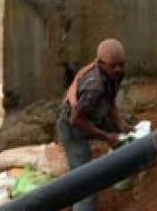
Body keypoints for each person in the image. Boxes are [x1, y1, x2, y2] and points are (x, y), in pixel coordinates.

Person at [55, 38, 130, 211]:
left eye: (121, 64)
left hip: (94, 115)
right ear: (101, 64)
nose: (118, 69)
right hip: (72, 128)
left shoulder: (114, 74)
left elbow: (110, 98)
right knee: (86, 183)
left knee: (130, 130)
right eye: (113, 66)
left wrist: (120, 122)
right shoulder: (94, 87)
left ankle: (123, 172)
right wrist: (106, 137)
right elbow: (76, 119)